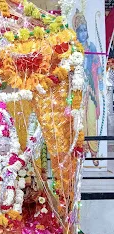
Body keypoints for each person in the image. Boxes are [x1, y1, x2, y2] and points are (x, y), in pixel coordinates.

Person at [72, 9, 104, 166]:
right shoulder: (72, 48)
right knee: (80, 121)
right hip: (77, 90)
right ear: (76, 32)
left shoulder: (91, 46)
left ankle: (94, 152)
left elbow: (97, 65)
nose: (83, 33)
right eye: (80, 30)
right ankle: (80, 153)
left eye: (85, 30)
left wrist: (102, 81)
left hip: (91, 88)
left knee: (91, 120)